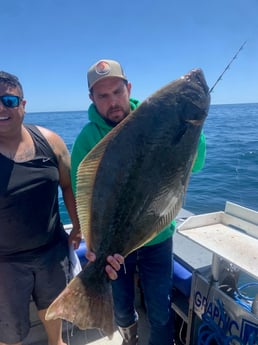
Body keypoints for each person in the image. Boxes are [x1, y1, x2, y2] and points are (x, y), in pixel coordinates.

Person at [71, 59, 206, 345]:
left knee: (160, 307)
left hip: (157, 235)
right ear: (92, 99)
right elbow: (81, 189)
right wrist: (94, 245)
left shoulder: (156, 118)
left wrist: (194, 132)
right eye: (103, 96)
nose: (113, 102)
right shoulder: (87, 138)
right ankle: (129, 338)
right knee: (121, 305)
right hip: (115, 243)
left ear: (128, 87)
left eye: (117, 92)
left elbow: (195, 165)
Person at [0, 71, 123, 345]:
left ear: (23, 104)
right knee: (9, 334)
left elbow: (69, 186)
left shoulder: (50, 141)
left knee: (53, 314)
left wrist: (78, 227)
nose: (1, 108)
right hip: (4, 264)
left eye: (8, 99)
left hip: (52, 252)